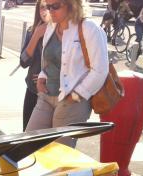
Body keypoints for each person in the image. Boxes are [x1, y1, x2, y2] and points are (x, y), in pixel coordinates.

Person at [25, 0, 108, 148]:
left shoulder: (89, 28)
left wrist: (76, 95)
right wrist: (42, 77)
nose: (50, 11)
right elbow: (50, 58)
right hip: (46, 96)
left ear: (71, 4)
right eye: (47, 6)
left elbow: (100, 71)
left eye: (55, 6)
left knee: (59, 152)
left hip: (72, 101)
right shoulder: (51, 26)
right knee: (28, 145)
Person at [20, 0, 48, 130]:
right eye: (42, 7)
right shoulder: (32, 31)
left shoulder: (63, 32)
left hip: (51, 94)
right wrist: (36, 35)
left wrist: (47, 76)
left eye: (48, 7)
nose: (45, 11)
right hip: (32, 90)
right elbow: (24, 62)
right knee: (27, 134)